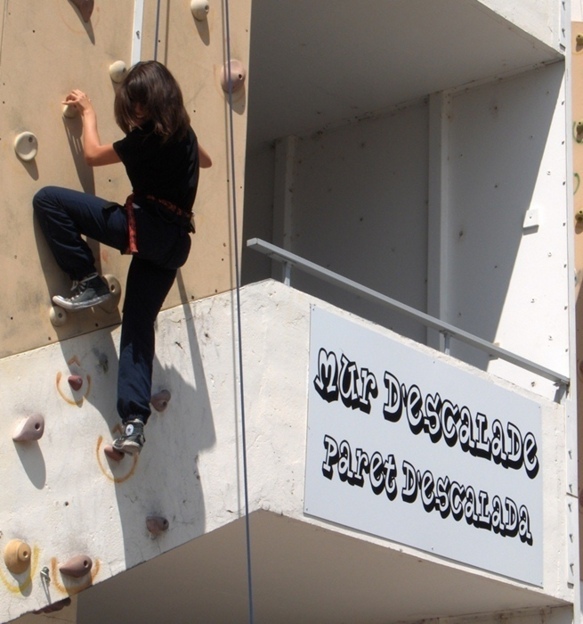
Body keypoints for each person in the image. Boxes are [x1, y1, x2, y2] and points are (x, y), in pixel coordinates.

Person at [33, 60, 212, 455]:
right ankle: (133, 421)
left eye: (137, 105)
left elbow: (94, 154)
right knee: (137, 322)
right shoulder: (184, 133)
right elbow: (206, 160)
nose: (134, 113)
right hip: (175, 244)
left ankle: (88, 278)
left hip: (146, 227)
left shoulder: (146, 139)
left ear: (150, 101)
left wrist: (89, 111)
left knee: (48, 200)